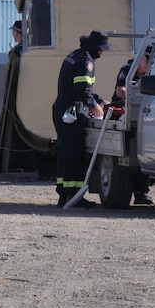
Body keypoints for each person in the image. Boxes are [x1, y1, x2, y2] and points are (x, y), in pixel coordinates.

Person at [51, 30, 111, 208]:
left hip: (63, 110)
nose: (103, 52)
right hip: (73, 112)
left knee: (64, 153)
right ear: (95, 48)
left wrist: (99, 100)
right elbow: (82, 89)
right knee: (74, 155)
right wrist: (94, 105)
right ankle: (74, 196)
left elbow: (77, 87)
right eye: (102, 49)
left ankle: (64, 194)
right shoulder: (86, 62)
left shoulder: (75, 55)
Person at [110, 46, 154, 205]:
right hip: (124, 112)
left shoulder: (154, 72)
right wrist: (138, 92)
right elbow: (120, 91)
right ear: (141, 58)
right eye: (147, 61)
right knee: (130, 155)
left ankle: (142, 192)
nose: (150, 65)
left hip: (145, 116)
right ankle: (137, 190)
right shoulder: (129, 68)